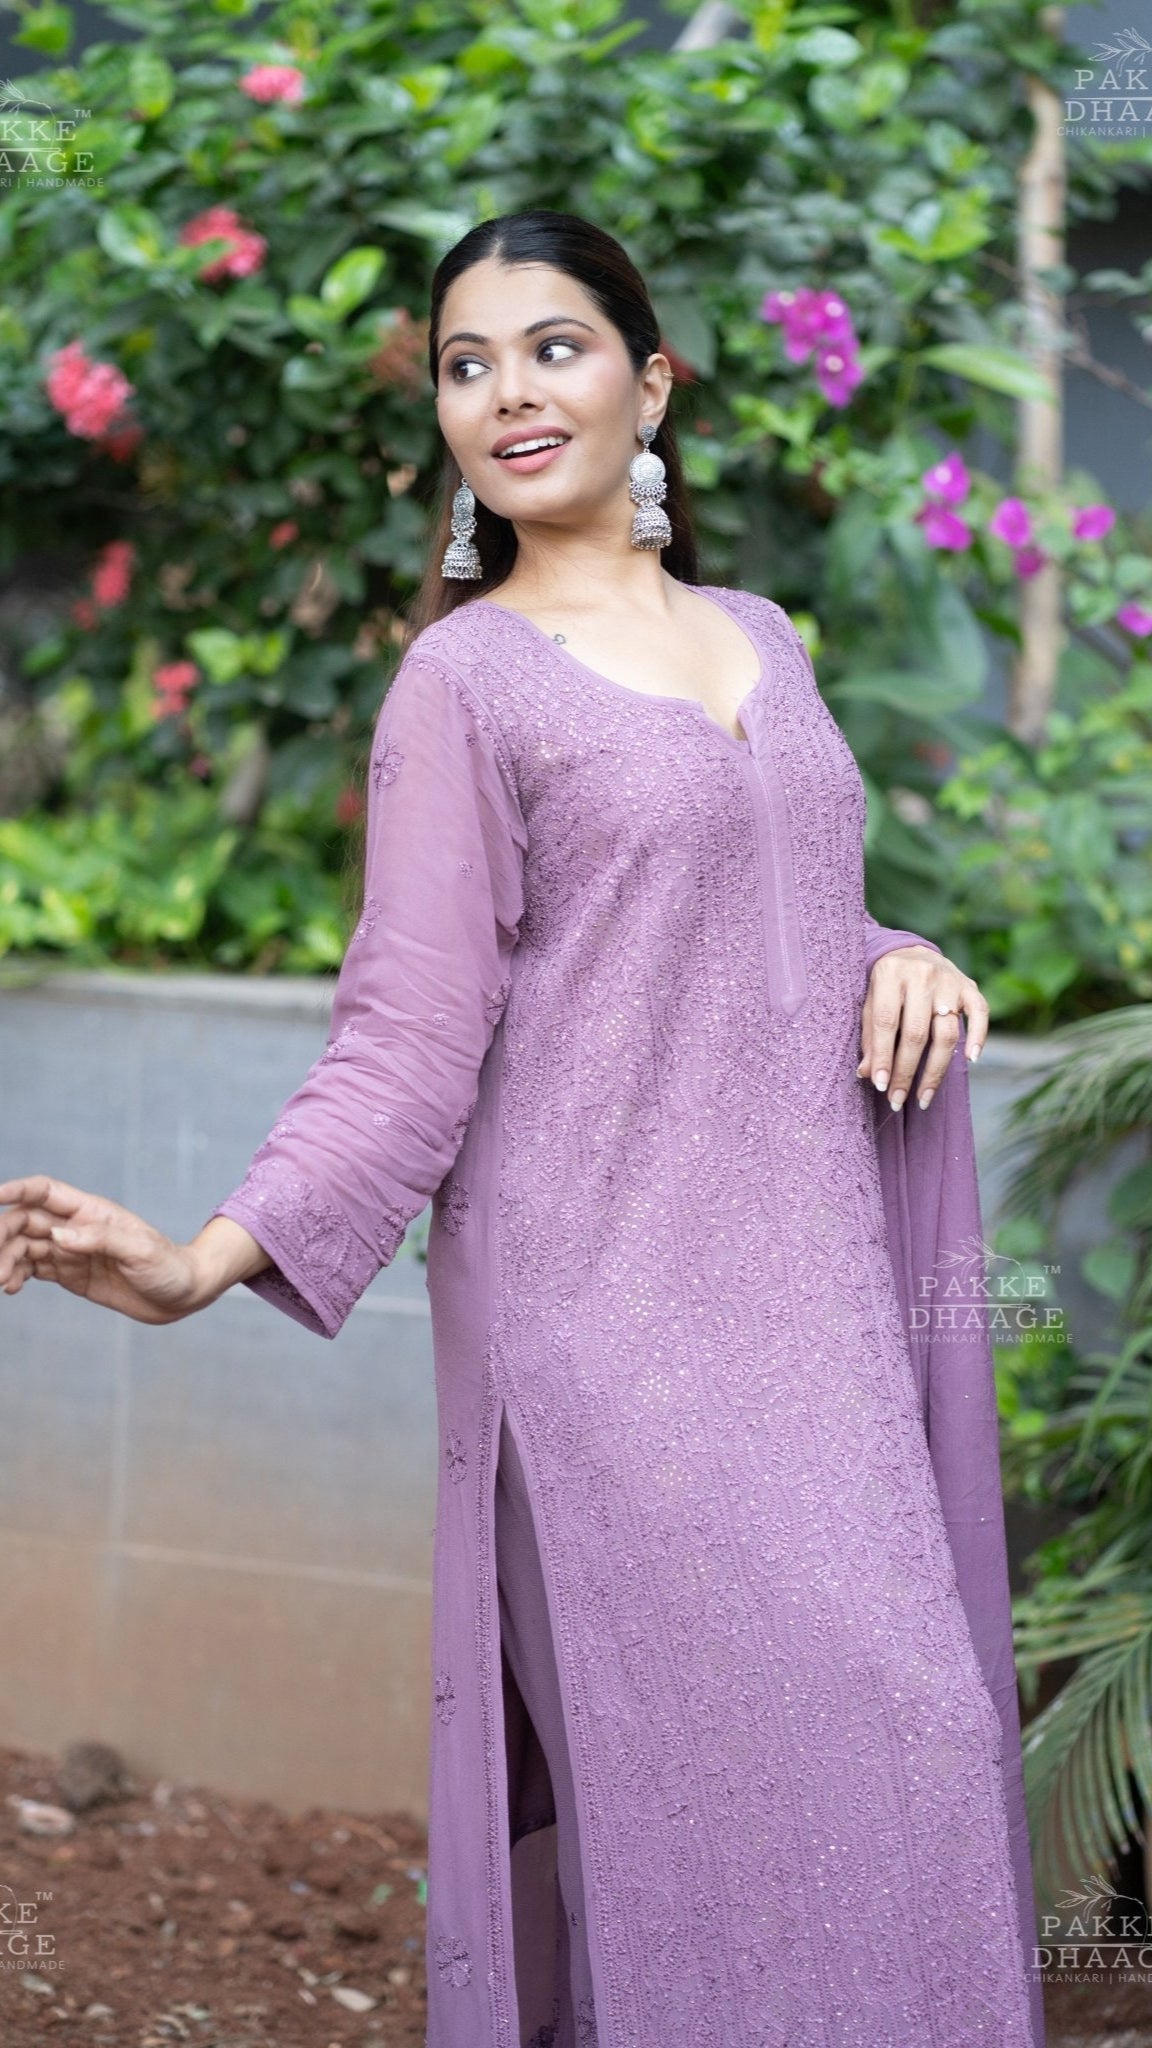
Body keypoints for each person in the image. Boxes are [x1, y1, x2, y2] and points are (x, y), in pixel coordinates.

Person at [0, 209, 1043, 2048]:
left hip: (818, 1320)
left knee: (922, 1743)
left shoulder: (760, 638)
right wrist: (196, 1263)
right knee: (712, 1808)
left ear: (653, 383)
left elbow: (778, 921)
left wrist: (912, 953)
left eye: (553, 349)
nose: (507, 394)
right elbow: (408, 1040)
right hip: (610, 1331)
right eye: (467, 366)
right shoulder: (461, 686)